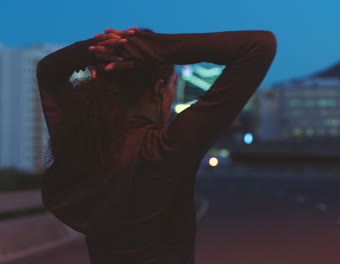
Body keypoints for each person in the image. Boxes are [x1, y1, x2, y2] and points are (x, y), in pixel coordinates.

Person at [36, 26, 277, 263]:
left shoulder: (80, 145)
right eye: (172, 85)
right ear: (160, 90)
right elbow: (260, 44)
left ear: (97, 77)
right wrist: (136, 45)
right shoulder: (165, 149)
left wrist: (100, 49)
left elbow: (47, 71)